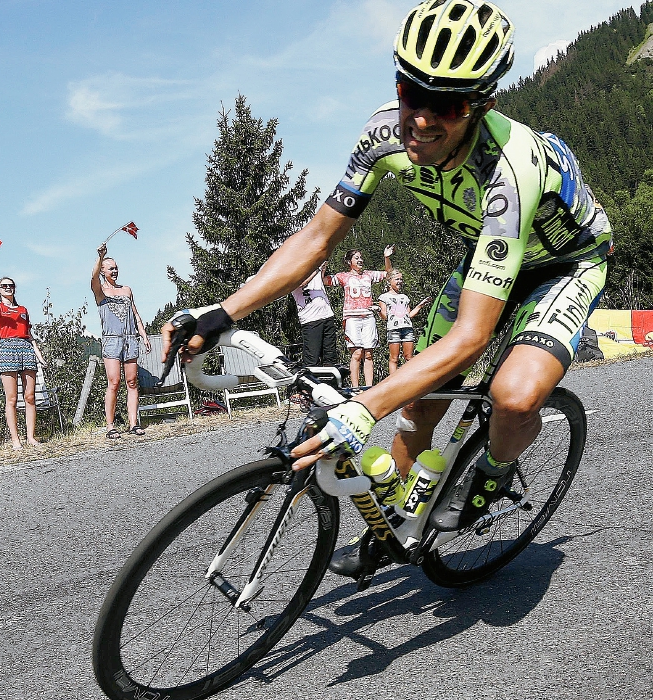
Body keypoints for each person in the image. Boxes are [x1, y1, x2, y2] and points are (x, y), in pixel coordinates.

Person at [163, 0, 611, 579]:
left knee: (516, 395)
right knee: (421, 397)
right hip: (491, 256)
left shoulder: (509, 168)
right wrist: (222, 312)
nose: (421, 119)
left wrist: (363, 407)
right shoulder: (382, 132)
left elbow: (473, 336)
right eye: (410, 93)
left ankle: (494, 474)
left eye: (446, 105)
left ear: (481, 106)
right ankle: (395, 523)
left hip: (563, 264)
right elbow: (318, 239)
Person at [91, 243, 152, 440]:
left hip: (130, 339)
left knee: (132, 381)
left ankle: (134, 424)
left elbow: (134, 313)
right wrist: (100, 256)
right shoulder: (100, 291)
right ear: (102, 271)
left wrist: (142, 334)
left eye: (116, 268)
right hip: (111, 340)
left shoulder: (126, 290)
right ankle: (110, 426)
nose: (115, 271)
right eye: (111, 268)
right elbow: (92, 279)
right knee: (114, 381)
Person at [0, 263, 46, 450]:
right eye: (4, 286)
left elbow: (29, 334)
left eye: (11, 286)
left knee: (30, 396)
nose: (8, 288)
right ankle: (15, 439)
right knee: (11, 398)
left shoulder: (23, 310)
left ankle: (31, 437)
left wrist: (38, 353)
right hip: (7, 347)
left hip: (26, 347)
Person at [328, 248, 387, 387]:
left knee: (369, 354)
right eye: (356, 258)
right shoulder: (343, 276)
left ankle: (369, 386)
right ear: (349, 262)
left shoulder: (369, 275)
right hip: (352, 318)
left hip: (368, 317)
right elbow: (325, 281)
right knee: (356, 353)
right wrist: (321, 266)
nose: (360, 260)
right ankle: (355, 387)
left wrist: (386, 258)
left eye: (361, 257)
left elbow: (388, 274)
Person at [377, 269, 431, 375]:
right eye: (397, 279)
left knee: (409, 357)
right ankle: (392, 382)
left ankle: (410, 379)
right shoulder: (384, 297)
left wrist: (420, 305)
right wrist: (378, 310)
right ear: (389, 281)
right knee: (394, 358)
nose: (400, 281)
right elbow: (384, 316)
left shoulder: (404, 297)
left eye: (401, 279)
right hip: (393, 329)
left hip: (407, 328)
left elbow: (409, 315)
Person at [291, 261, 340, 370]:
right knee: (312, 358)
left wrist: (322, 269)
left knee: (330, 356)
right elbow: (301, 283)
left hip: (326, 315)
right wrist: (317, 269)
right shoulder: (293, 273)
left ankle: (330, 384)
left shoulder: (314, 269)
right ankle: (309, 384)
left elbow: (320, 282)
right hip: (311, 320)